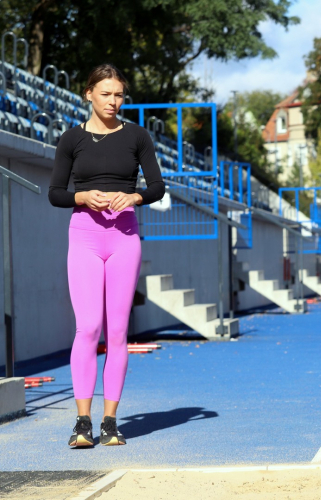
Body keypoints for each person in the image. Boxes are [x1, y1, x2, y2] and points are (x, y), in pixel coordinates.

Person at [49, 64, 165, 447]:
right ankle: (82, 422)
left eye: (118, 95)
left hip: (124, 237)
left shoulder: (137, 136)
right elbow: (55, 193)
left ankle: (110, 422)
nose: (113, 101)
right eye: (106, 94)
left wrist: (134, 195)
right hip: (83, 237)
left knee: (117, 332)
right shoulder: (71, 139)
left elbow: (157, 187)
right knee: (88, 328)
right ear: (89, 94)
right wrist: (81, 196)